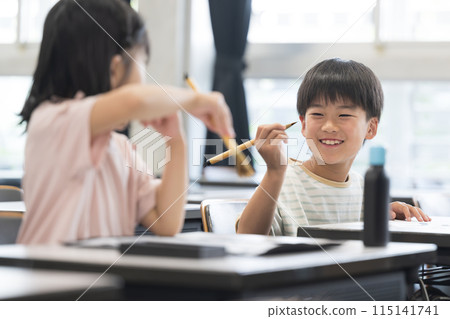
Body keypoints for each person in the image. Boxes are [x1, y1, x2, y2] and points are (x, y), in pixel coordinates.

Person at [16, 0, 234, 244]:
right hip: (47, 277)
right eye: (143, 66)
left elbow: (167, 221)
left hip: (103, 280)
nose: (144, 82)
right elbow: (134, 102)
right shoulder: (52, 121)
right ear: (115, 70)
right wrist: (201, 100)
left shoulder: (119, 148)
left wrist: (176, 144)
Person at [237, 58, 430, 236]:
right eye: (318, 115)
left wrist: (384, 216)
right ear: (303, 125)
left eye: (344, 115)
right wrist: (274, 172)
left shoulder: (365, 189)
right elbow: (246, 241)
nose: (329, 126)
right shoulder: (280, 181)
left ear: (370, 128)